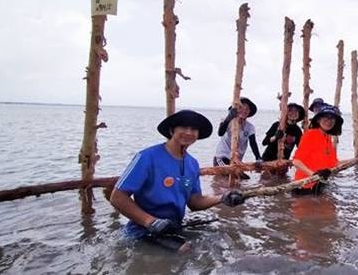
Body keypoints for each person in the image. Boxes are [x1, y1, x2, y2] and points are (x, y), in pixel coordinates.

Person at [110, 110, 245, 252]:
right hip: (142, 229)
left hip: (173, 227)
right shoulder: (147, 157)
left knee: (221, 240)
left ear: (198, 135)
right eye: (183, 127)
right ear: (171, 130)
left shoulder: (192, 163)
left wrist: (223, 198)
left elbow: (195, 202)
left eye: (193, 129)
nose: (188, 132)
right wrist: (150, 221)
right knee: (185, 251)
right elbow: (117, 197)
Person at [292, 104, 343, 195]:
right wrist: (313, 175)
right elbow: (296, 161)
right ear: (318, 120)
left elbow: (334, 163)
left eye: (332, 118)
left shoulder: (327, 137)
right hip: (304, 185)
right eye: (325, 118)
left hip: (319, 184)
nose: (329, 121)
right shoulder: (310, 135)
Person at [213, 97, 261, 179]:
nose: (244, 110)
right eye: (241, 107)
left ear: (249, 112)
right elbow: (220, 133)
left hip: (236, 160)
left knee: (245, 179)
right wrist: (229, 118)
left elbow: (253, 143)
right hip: (222, 158)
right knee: (228, 178)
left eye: (247, 109)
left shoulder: (250, 127)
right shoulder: (226, 121)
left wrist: (258, 158)